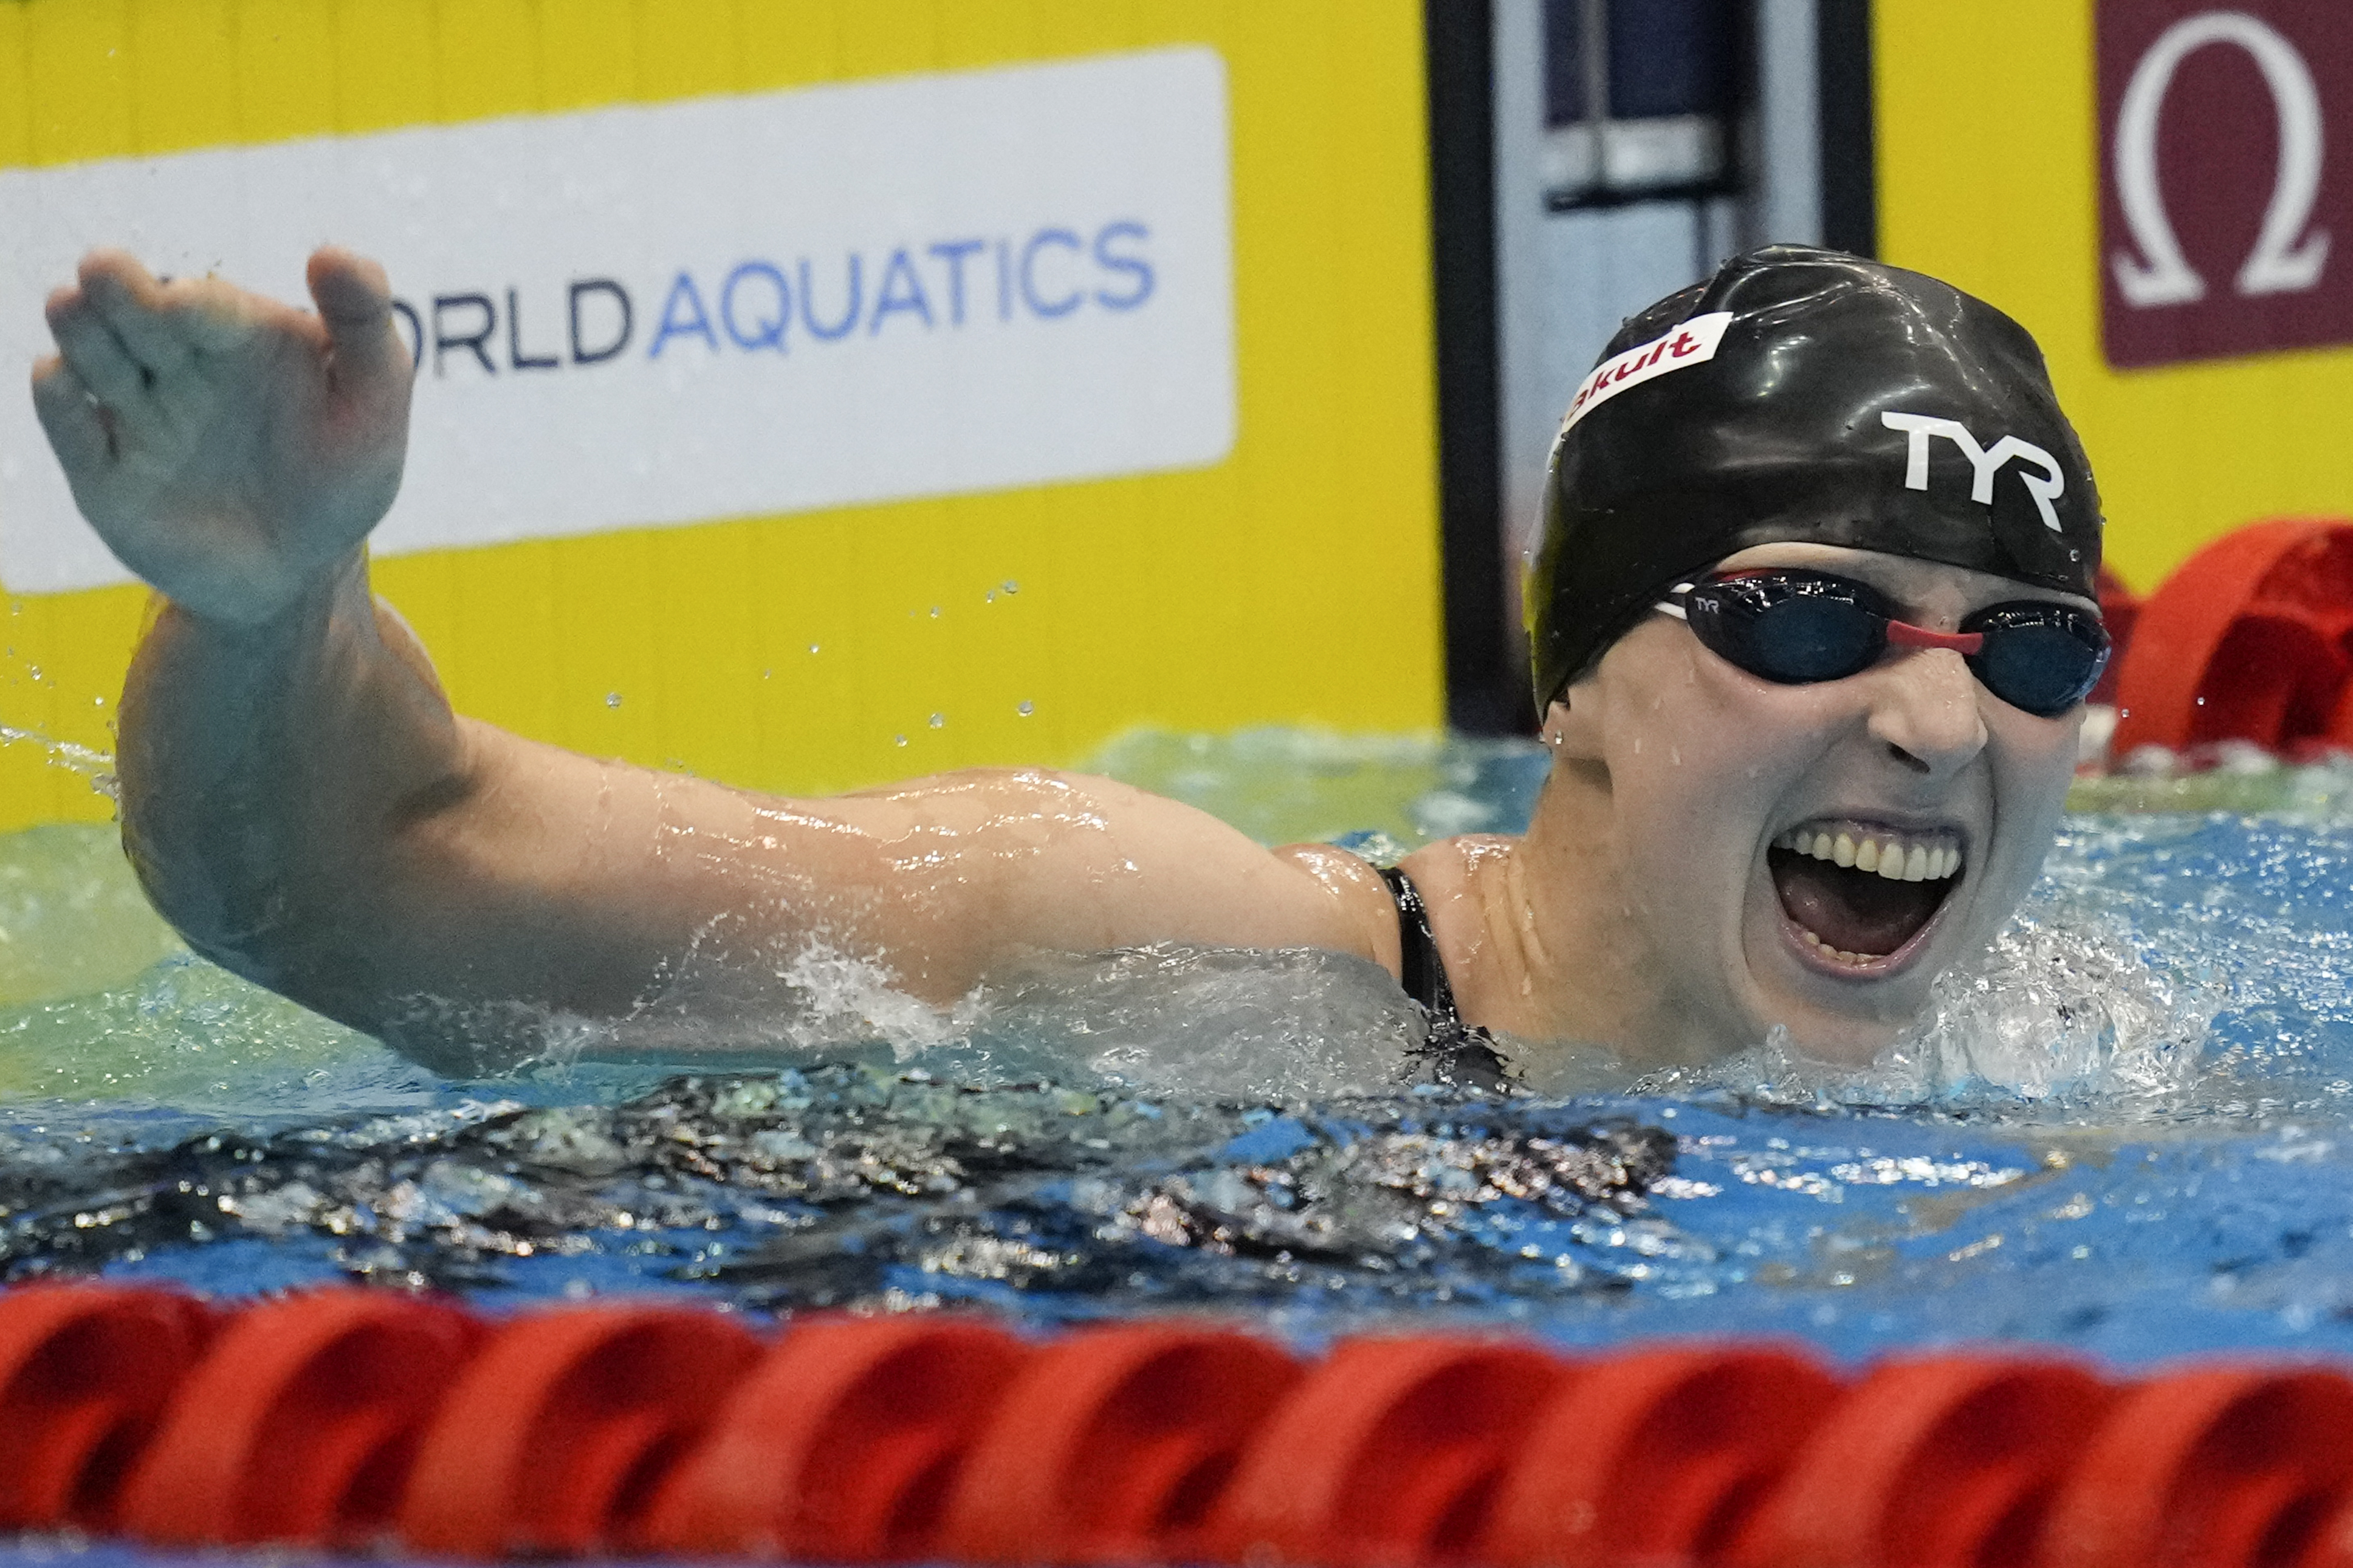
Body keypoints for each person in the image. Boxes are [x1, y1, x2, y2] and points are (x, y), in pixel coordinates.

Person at [29, 244, 2107, 1084]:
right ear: (1569, 678)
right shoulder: (1168, 944)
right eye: (1814, 613)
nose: (1935, 721)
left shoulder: (2083, 1047)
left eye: (2027, 651)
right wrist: (266, 609)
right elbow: (365, 873)